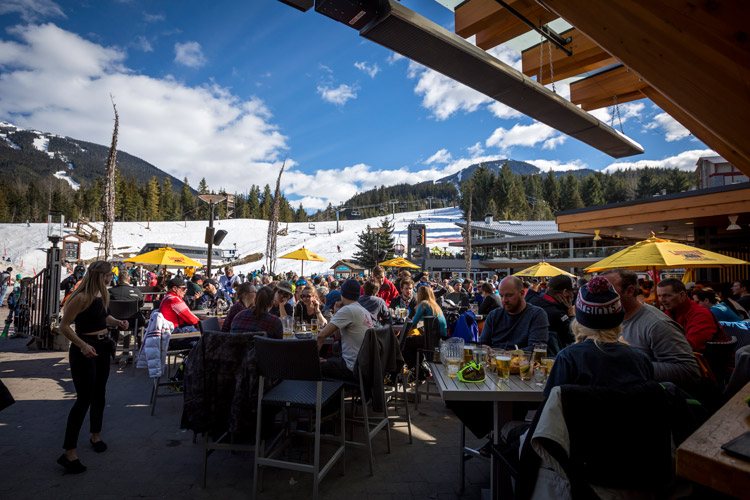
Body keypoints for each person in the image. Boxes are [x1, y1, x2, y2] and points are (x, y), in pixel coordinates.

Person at [57, 261, 129, 474]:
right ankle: (69, 452)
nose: (111, 278)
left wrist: (118, 322)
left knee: (99, 394)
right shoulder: (80, 297)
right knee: (84, 399)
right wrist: (82, 345)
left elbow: (103, 317)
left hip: (102, 347)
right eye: (109, 275)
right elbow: (64, 326)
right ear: (101, 275)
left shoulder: (102, 294)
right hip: (84, 351)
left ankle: (95, 435)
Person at [545, 276, 654, 397]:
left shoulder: (568, 357)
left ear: (579, 321)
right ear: (618, 318)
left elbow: (551, 398)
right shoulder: (640, 358)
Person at [602, 269, 700, 390]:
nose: (600, 297)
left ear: (630, 291)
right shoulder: (609, 318)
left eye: (609, 291)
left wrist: (629, 365)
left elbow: (689, 372)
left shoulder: (657, 324)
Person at [317, 279, 376, 381]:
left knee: (315, 366)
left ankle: (324, 396)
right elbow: (338, 336)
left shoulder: (348, 309)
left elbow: (321, 336)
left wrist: (313, 359)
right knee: (328, 358)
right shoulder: (362, 309)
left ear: (342, 294)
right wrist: (335, 313)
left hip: (352, 368)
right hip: (366, 366)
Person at [479, 276, 549, 351]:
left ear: (522, 293)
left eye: (509, 295)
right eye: (501, 296)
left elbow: (536, 349)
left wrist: (503, 355)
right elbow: (483, 344)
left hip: (522, 361)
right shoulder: (494, 315)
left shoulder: (536, 315)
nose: (504, 300)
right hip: (492, 361)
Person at [657, 278, 727, 351]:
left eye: (667, 295)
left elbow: (690, 345)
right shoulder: (671, 311)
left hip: (707, 360)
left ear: (682, 295)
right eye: (659, 296)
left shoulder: (700, 314)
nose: (662, 300)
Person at [526, 275, 575, 356]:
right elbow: (573, 336)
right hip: (550, 358)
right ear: (565, 292)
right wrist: (571, 313)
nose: (573, 295)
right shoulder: (557, 313)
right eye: (572, 292)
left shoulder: (533, 299)